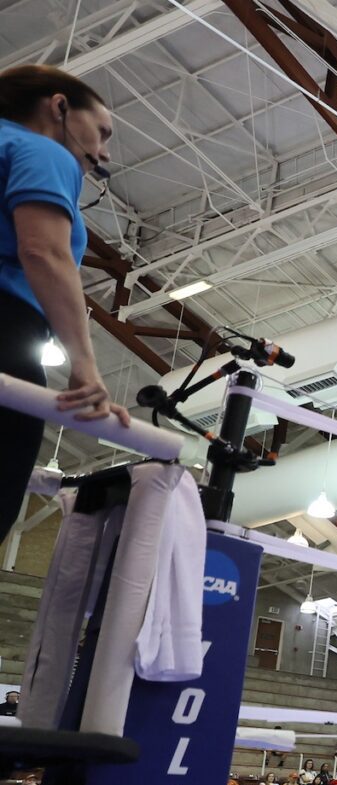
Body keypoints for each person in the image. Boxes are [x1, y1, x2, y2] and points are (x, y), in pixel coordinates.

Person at [0, 66, 131, 544]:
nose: (104, 151)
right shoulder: (41, 149)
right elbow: (45, 252)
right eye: (101, 132)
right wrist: (85, 366)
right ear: (58, 107)